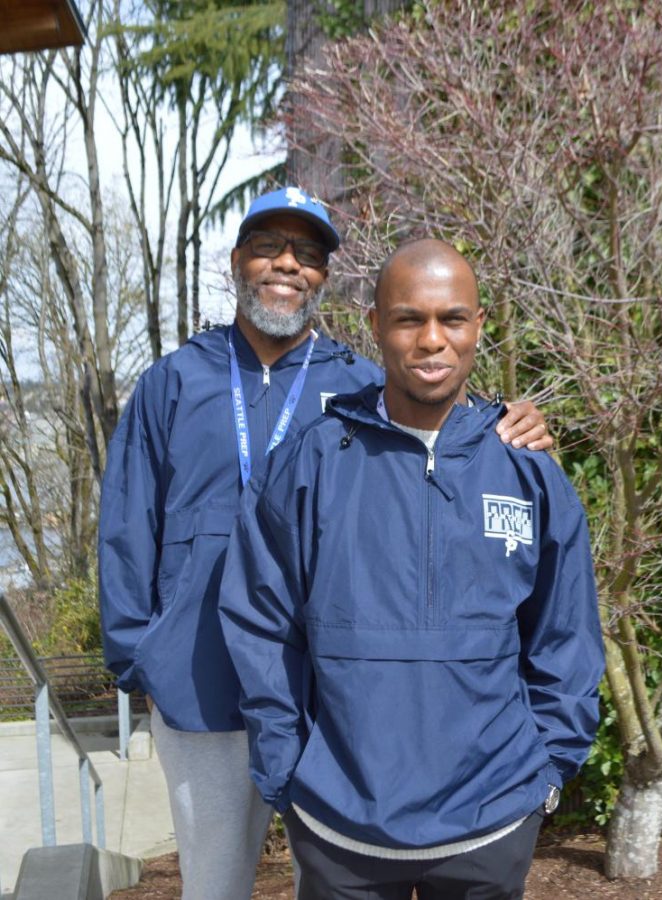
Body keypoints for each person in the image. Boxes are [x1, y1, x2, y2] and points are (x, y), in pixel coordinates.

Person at [98, 189, 552, 900]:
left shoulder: (358, 381)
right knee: (214, 885)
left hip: (326, 700)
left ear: (325, 279)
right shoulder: (173, 382)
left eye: (307, 255)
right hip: (199, 678)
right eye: (268, 248)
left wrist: (514, 421)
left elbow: (440, 415)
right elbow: (127, 525)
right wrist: (137, 661)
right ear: (236, 262)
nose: (286, 265)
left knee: (332, 866)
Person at [219, 238, 605, 900]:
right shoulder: (310, 465)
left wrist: (544, 773)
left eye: (451, 318)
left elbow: (564, 639)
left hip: (491, 820)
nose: (432, 340)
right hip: (339, 825)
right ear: (374, 325)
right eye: (408, 319)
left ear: (479, 325)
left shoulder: (527, 473)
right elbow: (260, 624)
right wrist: (286, 768)